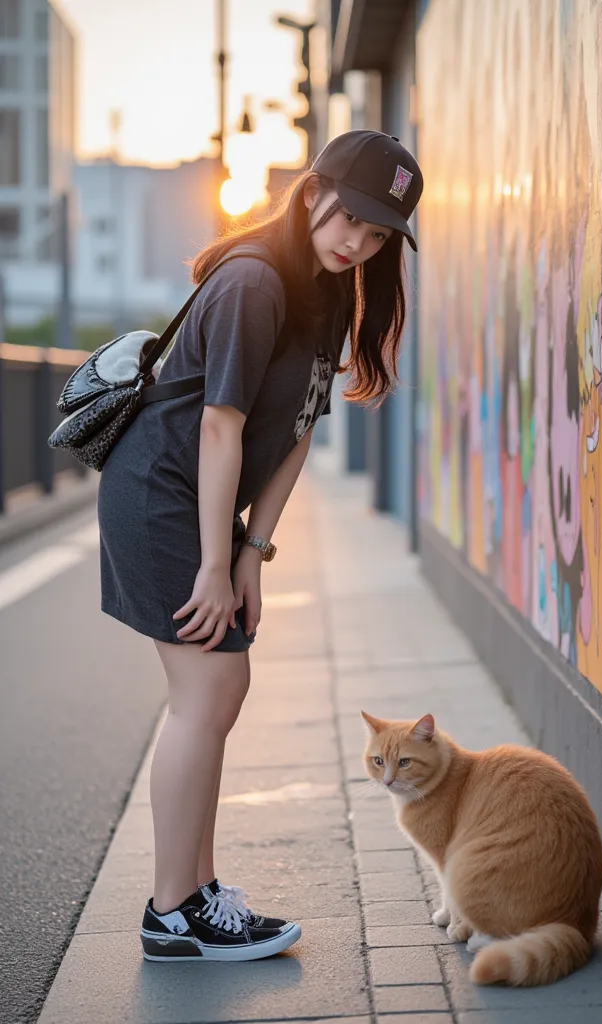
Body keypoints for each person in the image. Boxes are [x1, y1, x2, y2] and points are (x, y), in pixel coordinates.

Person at [97, 130, 423, 962]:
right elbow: (219, 425)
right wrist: (214, 562)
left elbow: (299, 433)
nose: (360, 241)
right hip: (159, 495)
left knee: (220, 691)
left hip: (198, 504)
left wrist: (252, 555)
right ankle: (173, 913)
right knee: (206, 692)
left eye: (381, 233)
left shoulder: (323, 294)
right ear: (313, 193)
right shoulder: (253, 280)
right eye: (353, 216)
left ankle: (196, 892)